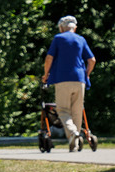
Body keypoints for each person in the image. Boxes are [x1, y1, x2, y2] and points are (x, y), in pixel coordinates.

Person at [41, 15, 97, 152]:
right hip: (80, 80)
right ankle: (76, 143)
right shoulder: (81, 39)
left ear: (62, 27)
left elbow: (49, 58)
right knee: (77, 111)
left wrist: (45, 74)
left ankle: (73, 133)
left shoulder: (58, 38)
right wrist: (87, 75)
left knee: (63, 110)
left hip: (62, 79)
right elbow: (92, 60)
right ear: (74, 27)